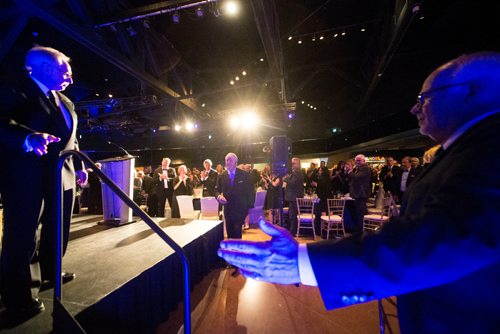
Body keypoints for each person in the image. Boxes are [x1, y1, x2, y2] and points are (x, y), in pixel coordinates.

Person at [218, 52, 500, 332]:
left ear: (471, 91)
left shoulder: (490, 149)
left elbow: (443, 240)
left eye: (424, 98)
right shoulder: (464, 151)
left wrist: (304, 262)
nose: (415, 109)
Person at [0, 46, 88, 319]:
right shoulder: (15, 90)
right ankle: (19, 296)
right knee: (23, 236)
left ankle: (51, 271)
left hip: (63, 176)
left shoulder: (66, 102)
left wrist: (81, 166)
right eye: (64, 71)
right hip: (26, 177)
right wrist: (27, 137)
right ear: (37, 67)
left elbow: (73, 139)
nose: (70, 78)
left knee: (57, 228)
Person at [346, 154, 371, 232]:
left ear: (364, 161)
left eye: (359, 160)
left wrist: (350, 171)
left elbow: (357, 177)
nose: (357, 162)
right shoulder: (358, 168)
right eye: (356, 160)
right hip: (358, 195)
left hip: (361, 194)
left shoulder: (365, 168)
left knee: (360, 214)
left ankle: (360, 233)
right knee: (357, 213)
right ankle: (358, 231)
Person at [282, 157, 304, 235]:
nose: (291, 165)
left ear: (297, 164)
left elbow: (293, 183)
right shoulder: (295, 172)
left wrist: (286, 179)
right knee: (292, 215)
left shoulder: (297, 172)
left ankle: (292, 232)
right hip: (293, 197)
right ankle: (291, 230)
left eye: (293, 163)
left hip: (294, 197)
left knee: (293, 215)